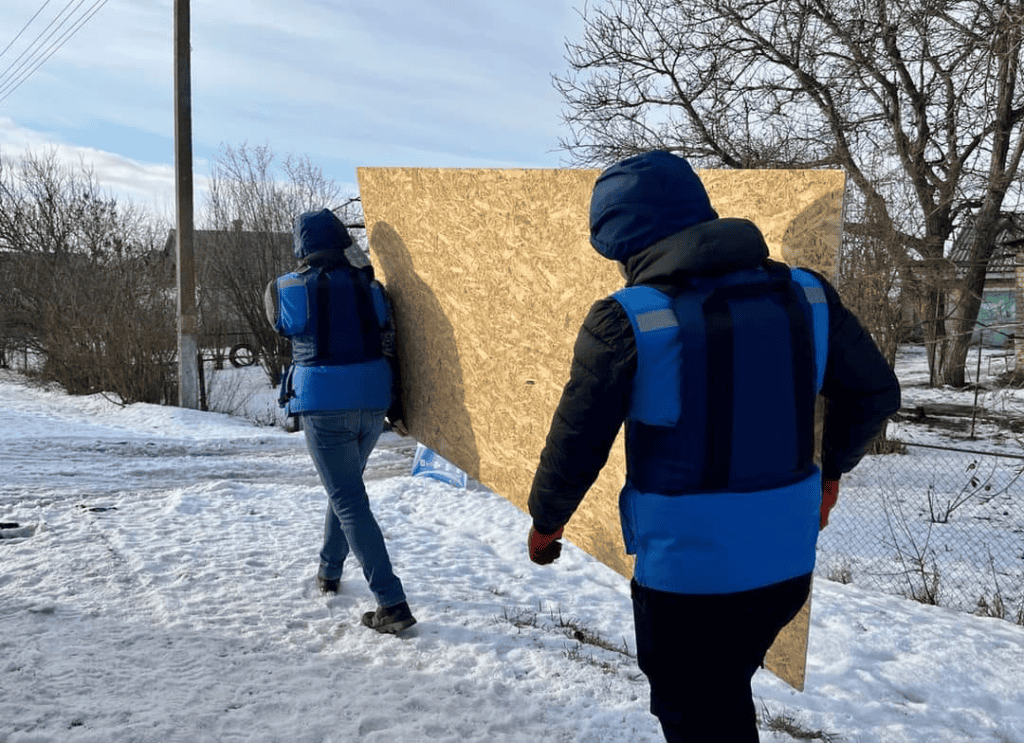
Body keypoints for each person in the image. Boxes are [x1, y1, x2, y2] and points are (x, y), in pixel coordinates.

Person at [526, 151, 900, 741]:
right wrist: (830, 476)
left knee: (696, 715)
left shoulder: (627, 319)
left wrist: (546, 522)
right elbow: (875, 394)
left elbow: (578, 441)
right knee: (724, 694)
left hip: (688, 584)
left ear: (624, 242)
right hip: (785, 567)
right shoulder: (809, 295)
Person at [266, 208, 416, 634]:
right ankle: (329, 571)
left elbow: (279, 321)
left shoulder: (288, 287)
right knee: (345, 489)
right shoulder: (371, 288)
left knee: (348, 496)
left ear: (302, 247)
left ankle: (392, 602)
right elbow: (387, 336)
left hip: (324, 401)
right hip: (373, 399)